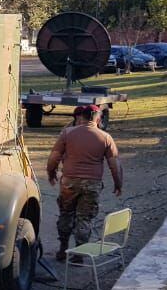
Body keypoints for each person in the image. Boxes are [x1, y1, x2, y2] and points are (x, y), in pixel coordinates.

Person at [46, 105, 123, 262]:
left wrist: (51, 173)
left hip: (69, 182)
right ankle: (79, 255)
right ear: (97, 118)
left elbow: (54, 156)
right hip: (92, 184)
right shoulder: (105, 137)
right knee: (84, 218)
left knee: (66, 214)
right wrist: (118, 183)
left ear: (83, 117)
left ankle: (63, 249)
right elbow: (114, 164)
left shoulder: (67, 133)